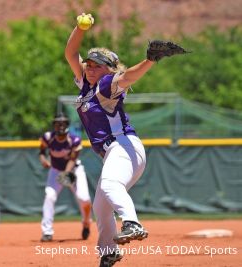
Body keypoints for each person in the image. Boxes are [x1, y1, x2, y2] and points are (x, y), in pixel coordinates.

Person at [65, 13, 186, 267]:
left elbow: (128, 76)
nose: (90, 68)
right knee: (100, 206)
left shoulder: (107, 84)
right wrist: (79, 28)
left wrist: (150, 60)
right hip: (116, 153)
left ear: (108, 69)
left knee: (109, 185)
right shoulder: (85, 86)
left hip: (124, 147)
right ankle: (108, 252)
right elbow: (70, 52)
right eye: (88, 64)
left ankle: (132, 223)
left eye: (97, 65)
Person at [39, 113, 92, 242]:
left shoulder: (74, 140)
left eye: (63, 123)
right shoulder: (48, 137)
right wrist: (43, 159)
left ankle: (86, 223)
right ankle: (47, 232)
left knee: (84, 199)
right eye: (58, 123)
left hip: (74, 170)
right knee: (49, 196)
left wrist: (67, 174)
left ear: (67, 125)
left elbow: (73, 159)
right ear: (54, 125)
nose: (60, 125)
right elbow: (42, 150)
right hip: (56, 170)